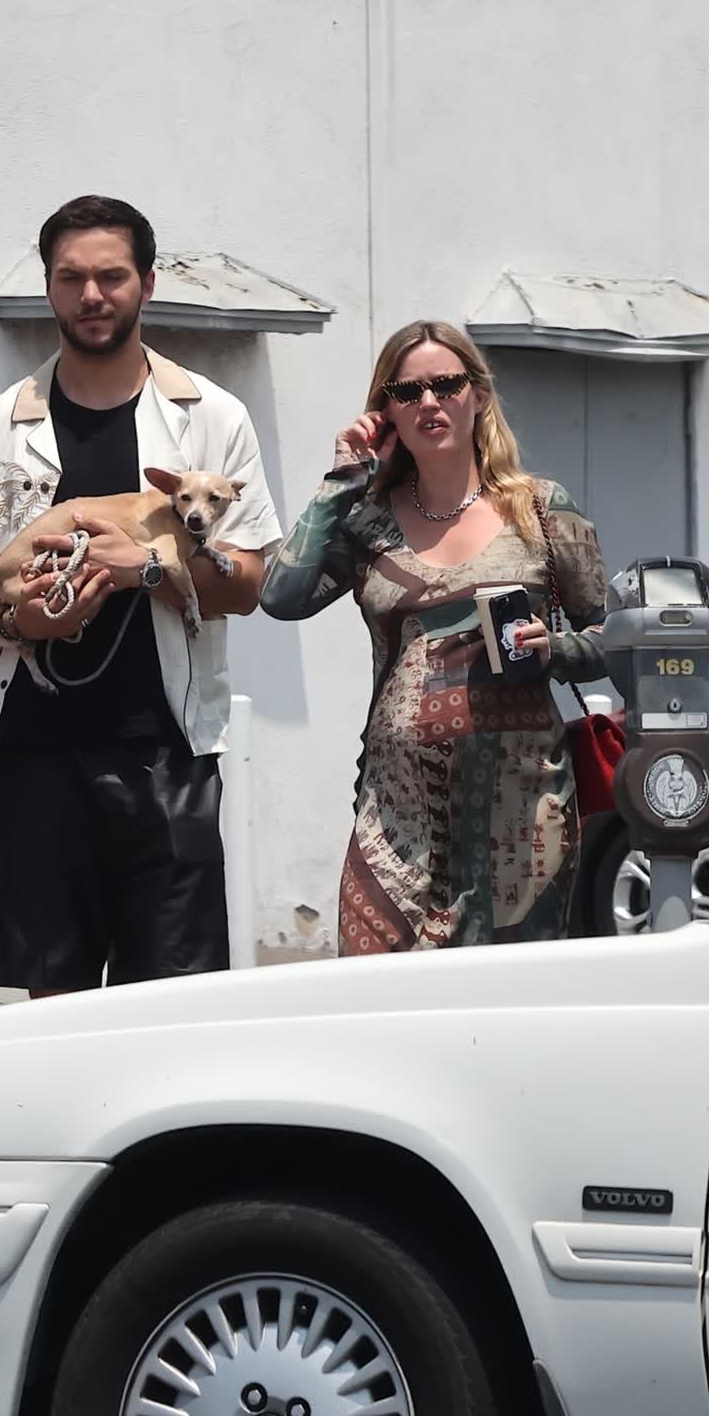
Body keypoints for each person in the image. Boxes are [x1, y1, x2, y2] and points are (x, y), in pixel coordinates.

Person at [0, 194, 281, 993]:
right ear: (48, 287)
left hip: (167, 752)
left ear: (147, 284)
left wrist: (147, 570)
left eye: (112, 276)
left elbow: (249, 584)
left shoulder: (212, 420)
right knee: (42, 1007)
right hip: (32, 755)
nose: (92, 295)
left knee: (172, 1002)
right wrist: (17, 618)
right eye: (71, 277)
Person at [261, 319, 607, 953]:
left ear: (478, 395)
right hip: (395, 812)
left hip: (521, 813)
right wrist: (341, 481)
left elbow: (610, 635)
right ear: (385, 412)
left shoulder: (540, 507)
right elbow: (280, 597)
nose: (429, 402)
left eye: (446, 385)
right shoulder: (366, 521)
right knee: (375, 988)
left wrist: (554, 650)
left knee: (508, 997)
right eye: (407, 391)